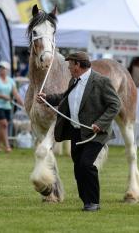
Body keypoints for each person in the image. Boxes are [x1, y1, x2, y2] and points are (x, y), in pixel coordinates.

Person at [37, 51, 121, 211]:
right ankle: (86, 201)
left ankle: (93, 203)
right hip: (77, 132)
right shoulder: (73, 81)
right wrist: (46, 99)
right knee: (78, 166)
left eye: (70, 64)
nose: (68, 67)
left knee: (87, 164)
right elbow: (64, 97)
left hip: (96, 133)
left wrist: (101, 123)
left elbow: (115, 104)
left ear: (77, 65)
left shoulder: (101, 81)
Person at [0, 61, 24, 152]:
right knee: (4, 124)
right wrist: (3, 96)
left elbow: (16, 94)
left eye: (4, 68)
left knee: (2, 126)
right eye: (0, 67)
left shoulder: (11, 80)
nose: (2, 69)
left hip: (7, 106)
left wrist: (22, 104)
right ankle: (7, 146)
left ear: (7, 70)